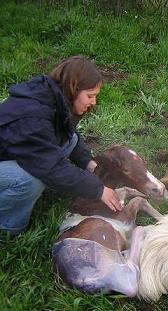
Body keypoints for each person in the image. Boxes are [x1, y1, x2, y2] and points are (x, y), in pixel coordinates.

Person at [0, 56, 122, 235]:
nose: (93, 103)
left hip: (13, 153)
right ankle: (8, 228)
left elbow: (68, 135)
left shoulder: (53, 98)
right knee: (29, 180)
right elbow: (52, 168)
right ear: (73, 89)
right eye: (90, 96)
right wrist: (98, 190)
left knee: (69, 140)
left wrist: (88, 163)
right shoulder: (34, 118)